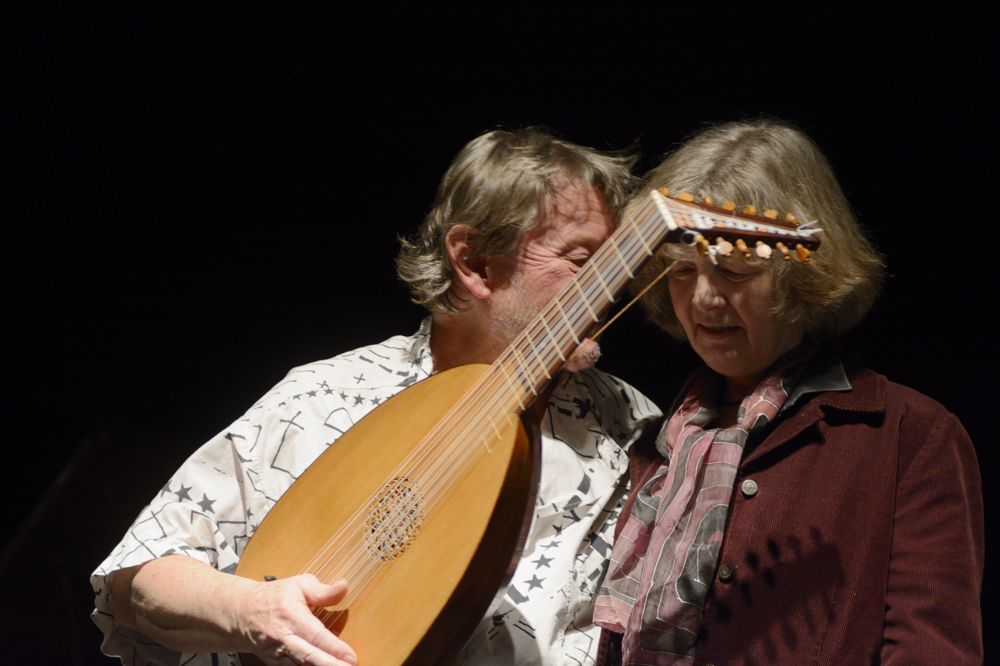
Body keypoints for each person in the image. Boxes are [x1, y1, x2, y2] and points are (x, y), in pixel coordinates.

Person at [91, 128, 662, 666]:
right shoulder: (324, 396)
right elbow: (135, 582)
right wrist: (253, 612)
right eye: (583, 262)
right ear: (474, 263)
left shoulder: (638, 429)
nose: (613, 286)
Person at [592, 119, 984, 665]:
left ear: (802, 274)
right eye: (681, 270)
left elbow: (931, 651)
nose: (703, 297)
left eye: (733, 269)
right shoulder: (653, 441)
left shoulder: (910, 435)